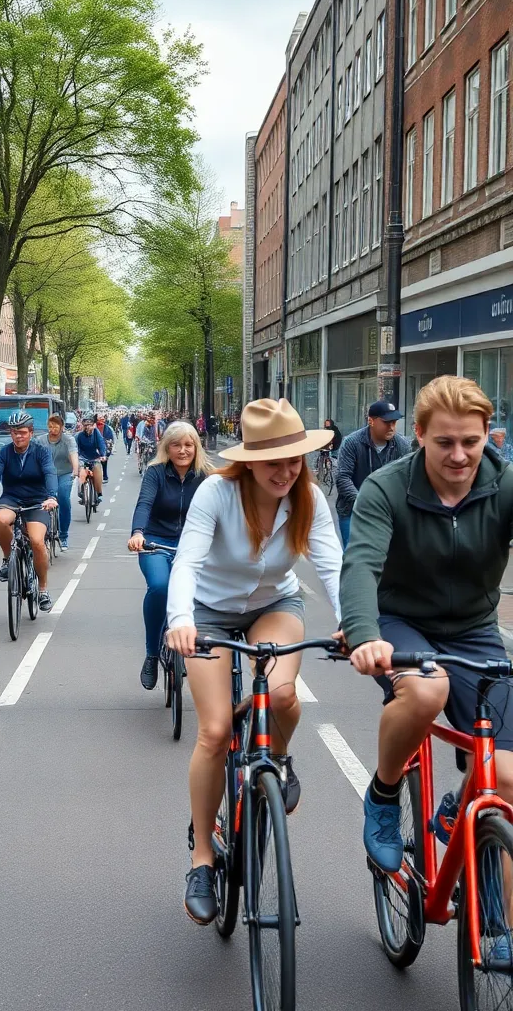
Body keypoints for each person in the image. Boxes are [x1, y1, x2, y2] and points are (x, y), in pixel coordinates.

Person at [166, 398, 342, 925]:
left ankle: (276, 760)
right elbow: (187, 561)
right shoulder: (216, 494)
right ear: (249, 462)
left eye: (294, 460)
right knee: (215, 730)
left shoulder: (309, 497)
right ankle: (202, 857)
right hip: (209, 612)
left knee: (283, 695)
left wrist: (354, 622)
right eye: (273, 462)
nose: (286, 472)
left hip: (274, 606)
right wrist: (180, 620)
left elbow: (333, 564)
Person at [340, 377, 513, 892]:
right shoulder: (387, 488)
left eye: (471, 441)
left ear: (488, 434)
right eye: (444, 442)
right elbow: (361, 565)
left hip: (474, 629)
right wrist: (364, 634)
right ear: (417, 434)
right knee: (426, 690)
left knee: (507, 778)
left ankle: (497, 918)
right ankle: (384, 792)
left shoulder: (505, 485)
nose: (459, 455)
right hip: (400, 623)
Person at [128, 422, 212, 689]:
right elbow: (144, 503)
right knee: (160, 587)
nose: (183, 450)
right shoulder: (155, 473)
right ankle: (152, 654)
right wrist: (138, 533)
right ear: (167, 447)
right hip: (156, 541)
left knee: (204, 592)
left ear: (196, 447)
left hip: (193, 544)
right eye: (176, 445)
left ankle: (189, 641)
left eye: (188, 445)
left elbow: (219, 510)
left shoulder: (206, 475)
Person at [0, 410, 60, 611]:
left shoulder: (41, 452)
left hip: (37, 500)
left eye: (22, 432)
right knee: (1, 519)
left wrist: (52, 497)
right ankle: (8, 559)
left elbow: (50, 472)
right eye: (14, 432)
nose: (18, 436)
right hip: (12, 498)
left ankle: (43, 590)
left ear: (31, 433)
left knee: (37, 541)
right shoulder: (4, 454)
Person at [335, 399, 411, 549]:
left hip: (387, 513)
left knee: (386, 557)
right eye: (386, 422)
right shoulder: (352, 442)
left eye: (394, 422)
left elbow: (407, 479)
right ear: (371, 421)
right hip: (352, 511)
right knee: (354, 555)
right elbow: (343, 477)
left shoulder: (402, 445)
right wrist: (364, 502)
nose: (391, 427)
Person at [44, 413, 78, 550]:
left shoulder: (68, 440)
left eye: (56, 427)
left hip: (64, 473)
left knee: (63, 498)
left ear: (62, 427)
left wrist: (75, 470)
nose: (52, 430)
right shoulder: (40, 440)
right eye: (50, 426)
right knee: (41, 500)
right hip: (47, 475)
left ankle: (63, 535)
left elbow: (73, 455)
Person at [75, 414, 107, 508]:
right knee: (81, 473)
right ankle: (81, 492)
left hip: (94, 458)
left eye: (90, 425)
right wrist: (76, 458)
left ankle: (98, 494)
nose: (88, 427)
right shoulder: (79, 435)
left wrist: (103, 455)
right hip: (82, 458)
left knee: (97, 472)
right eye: (85, 425)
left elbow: (101, 444)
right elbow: (74, 448)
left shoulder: (96, 433)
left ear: (93, 425)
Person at [97, 415, 115, 482]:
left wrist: (107, 451)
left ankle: (105, 476)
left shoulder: (107, 428)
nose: (102, 420)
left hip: (104, 447)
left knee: (104, 462)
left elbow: (110, 440)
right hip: (95, 448)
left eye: (102, 419)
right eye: (100, 418)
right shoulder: (93, 427)